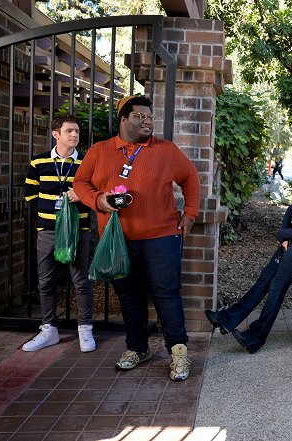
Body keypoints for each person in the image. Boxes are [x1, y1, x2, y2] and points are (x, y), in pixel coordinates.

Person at [73, 96, 201, 381]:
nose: (147, 121)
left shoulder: (165, 150)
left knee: (166, 292)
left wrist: (189, 214)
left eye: (150, 118)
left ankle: (178, 352)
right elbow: (80, 182)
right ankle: (137, 348)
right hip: (116, 239)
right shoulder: (100, 151)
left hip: (162, 236)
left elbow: (190, 177)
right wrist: (98, 200)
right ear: (123, 119)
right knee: (129, 295)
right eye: (140, 116)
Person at [205, 146, 292, 353]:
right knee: (264, 280)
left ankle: (256, 336)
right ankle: (228, 318)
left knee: (278, 285)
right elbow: (290, 210)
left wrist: (284, 235)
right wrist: (285, 233)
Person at [23, 114, 95, 353]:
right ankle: (49, 329)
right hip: (48, 231)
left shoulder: (86, 163)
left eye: (76, 131)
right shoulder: (38, 162)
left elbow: (94, 195)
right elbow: (30, 196)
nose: (74, 135)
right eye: (69, 131)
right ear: (56, 134)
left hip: (78, 230)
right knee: (45, 280)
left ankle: (85, 329)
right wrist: (47, 218)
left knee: (80, 280)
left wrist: (80, 197)